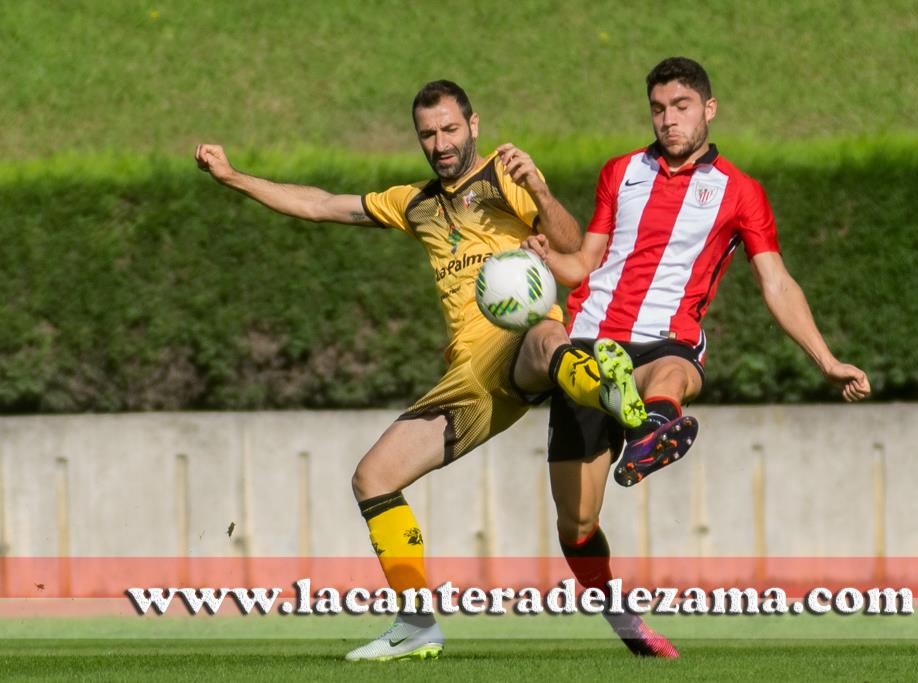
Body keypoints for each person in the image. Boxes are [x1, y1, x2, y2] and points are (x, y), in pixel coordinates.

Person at [195, 80, 651, 661]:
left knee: (544, 333)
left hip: (522, 342)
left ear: (473, 125)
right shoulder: (415, 203)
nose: (440, 143)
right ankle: (416, 623)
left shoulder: (504, 176)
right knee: (372, 477)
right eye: (428, 134)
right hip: (468, 380)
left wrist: (537, 183)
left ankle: (608, 389)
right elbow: (319, 204)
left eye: (450, 129)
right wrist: (234, 178)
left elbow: (572, 249)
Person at [526, 56, 872, 656]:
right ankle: (628, 627)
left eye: (681, 107)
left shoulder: (740, 193)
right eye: (658, 109)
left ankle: (653, 422)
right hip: (588, 343)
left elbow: (777, 283)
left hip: (666, 339)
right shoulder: (620, 172)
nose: (668, 120)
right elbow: (584, 263)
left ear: (708, 109)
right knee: (576, 526)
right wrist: (542, 262)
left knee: (677, 370)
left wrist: (827, 359)